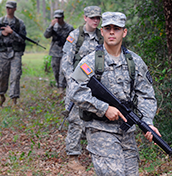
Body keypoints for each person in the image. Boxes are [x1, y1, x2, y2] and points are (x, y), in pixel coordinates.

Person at [68, 12, 161, 175]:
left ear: (124, 32)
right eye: (108, 28)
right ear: (102, 31)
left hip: (127, 133)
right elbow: (75, 91)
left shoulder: (135, 62)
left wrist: (148, 122)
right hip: (100, 130)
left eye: (116, 28)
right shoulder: (89, 62)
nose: (112, 32)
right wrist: (104, 108)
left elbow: (146, 94)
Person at [61, 6, 103, 171]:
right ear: (85, 18)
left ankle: (96, 154)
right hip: (77, 84)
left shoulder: (102, 36)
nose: (95, 21)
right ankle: (73, 157)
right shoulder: (75, 36)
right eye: (92, 18)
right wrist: (72, 83)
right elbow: (66, 62)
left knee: (97, 119)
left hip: (97, 87)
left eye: (97, 18)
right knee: (76, 120)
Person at [0, 1, 26, 107]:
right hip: (2, 52)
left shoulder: (20, 23)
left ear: (15, 9)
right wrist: (1, 33)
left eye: (11, 8)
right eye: (7, 7)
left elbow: (23, 40)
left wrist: (12, 33)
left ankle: (14, 101)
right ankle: (1, 95)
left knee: (15, 76)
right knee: (1, 75)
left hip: (15, 53)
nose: (8, 9)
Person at [43, 10, 74, 92]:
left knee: (62, 71)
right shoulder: (53, 27)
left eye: (59, 18)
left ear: (63, 17)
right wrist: (50, 26)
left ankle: (61, 87)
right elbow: (46, 35)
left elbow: (73, 40)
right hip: (55, 52)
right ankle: (58, 84)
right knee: (55, 70)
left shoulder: (69, 28)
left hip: (65, 52)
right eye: (56, 18)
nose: (57, 20)